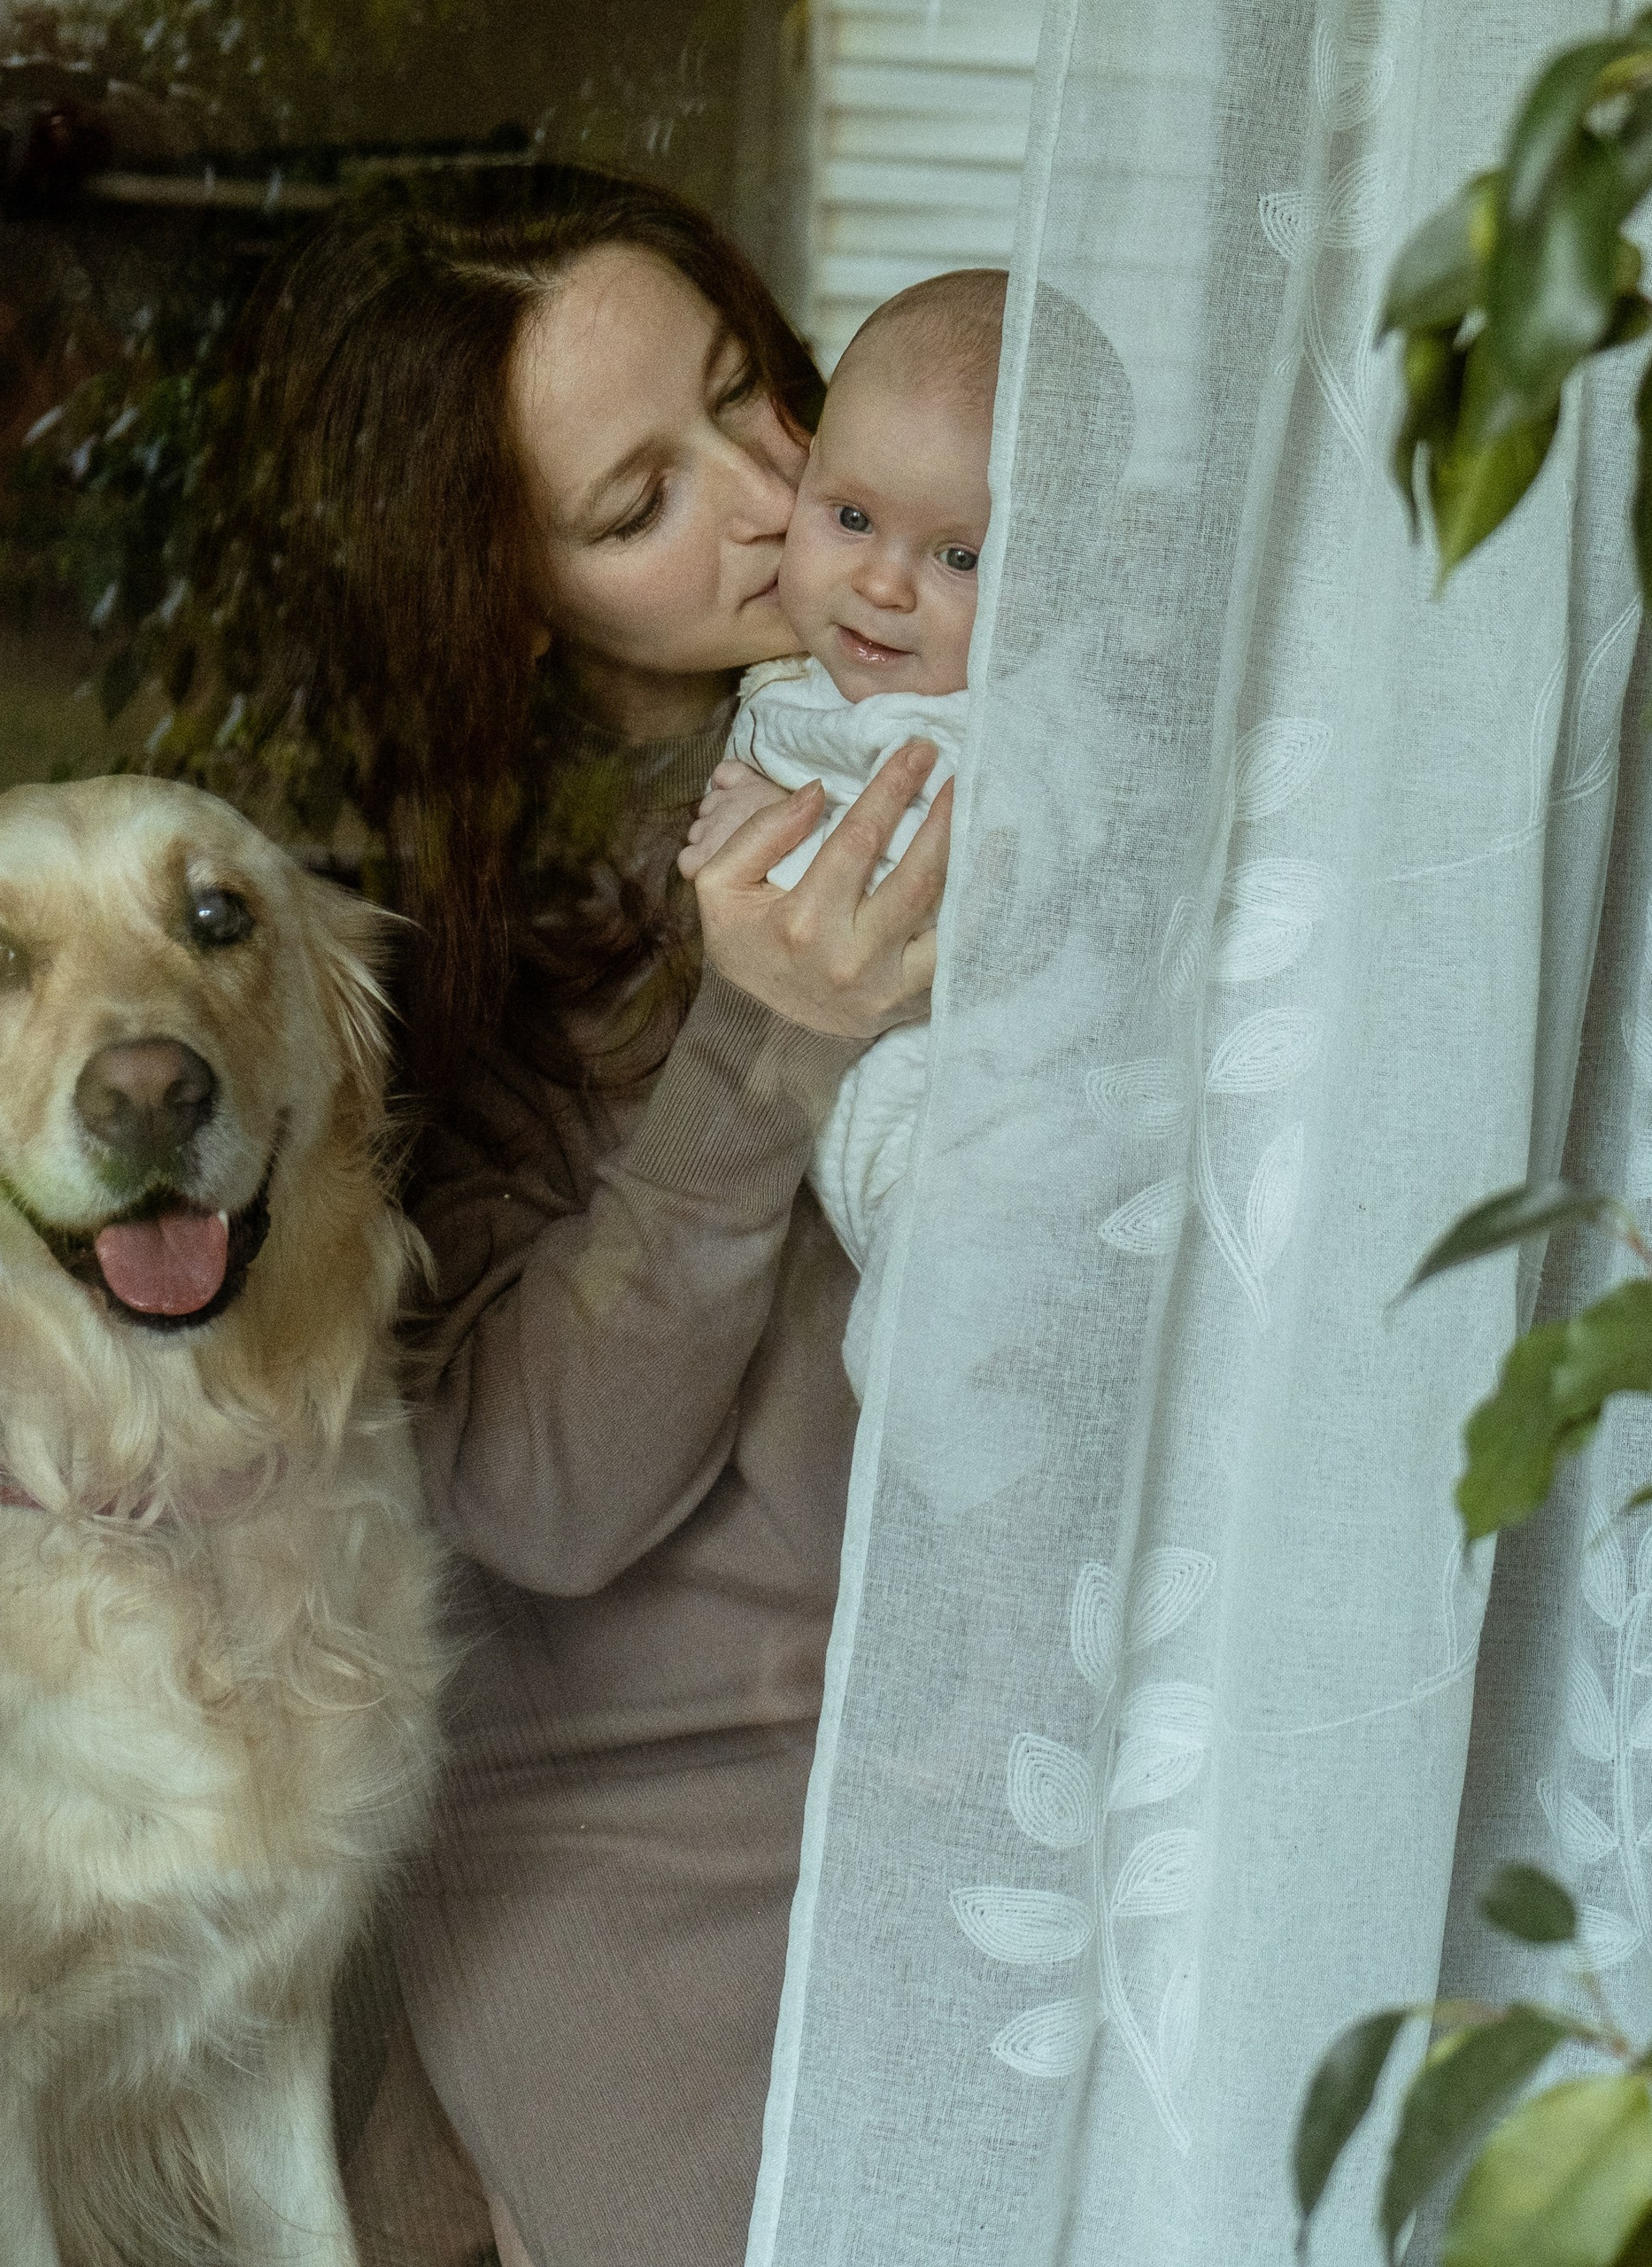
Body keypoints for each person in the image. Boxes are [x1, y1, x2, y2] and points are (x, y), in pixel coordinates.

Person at [202, 163, 949, 2267]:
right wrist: (762, 1041)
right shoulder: (426, 985)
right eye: (640, 502)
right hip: (662, 1890)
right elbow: (537, 1488)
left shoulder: (930, 728)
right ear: (504, 595)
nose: (771, 493)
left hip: (958, 1822)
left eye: (753, 393)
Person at [681, 266, 1006, 1392]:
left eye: (962, 557)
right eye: (853, 517)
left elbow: (975, 888)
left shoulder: (982, 719)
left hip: (967, 1104)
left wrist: (783, 835)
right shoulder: (802, 684)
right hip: (863, 1118)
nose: (883, 583)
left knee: (954, 1298)